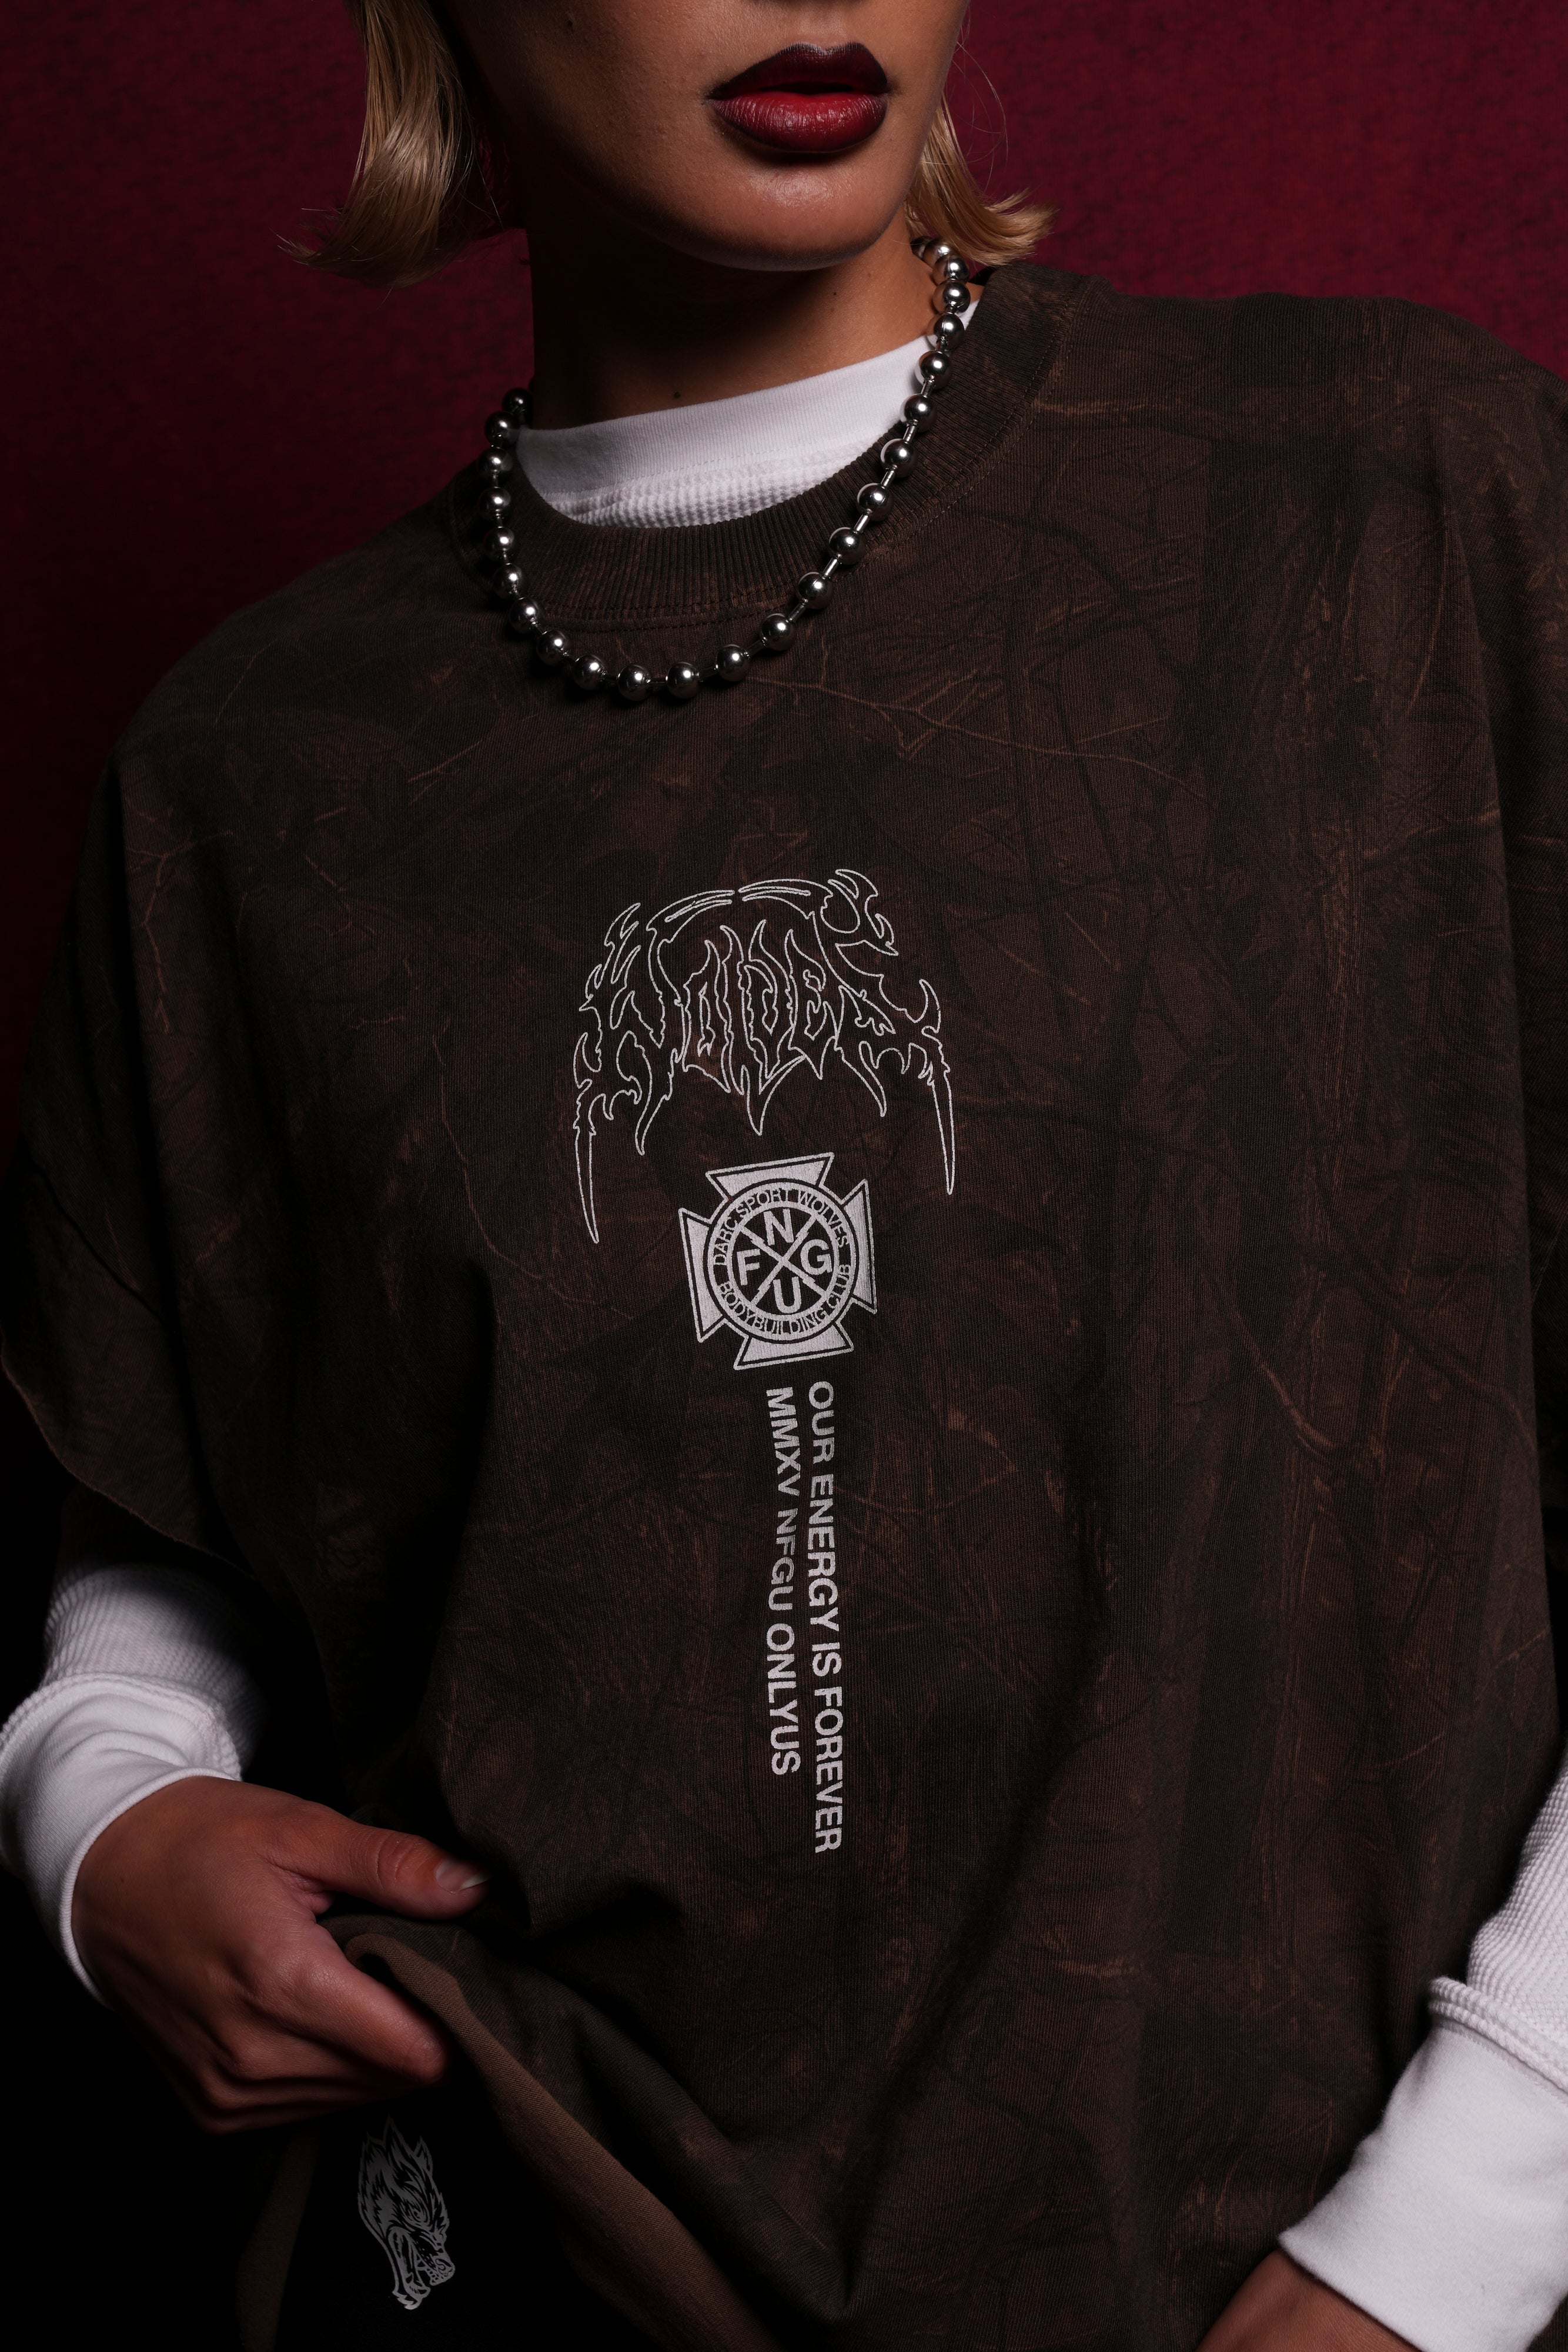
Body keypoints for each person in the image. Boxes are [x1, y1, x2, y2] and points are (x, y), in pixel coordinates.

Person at [3, 2, 1567, 2346]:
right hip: (531, 2236)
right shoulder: (251, 771)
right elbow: (193, 1496)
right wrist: (97, 1800)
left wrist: (1446, 2236)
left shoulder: (1391, 498)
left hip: (1271, 2252)